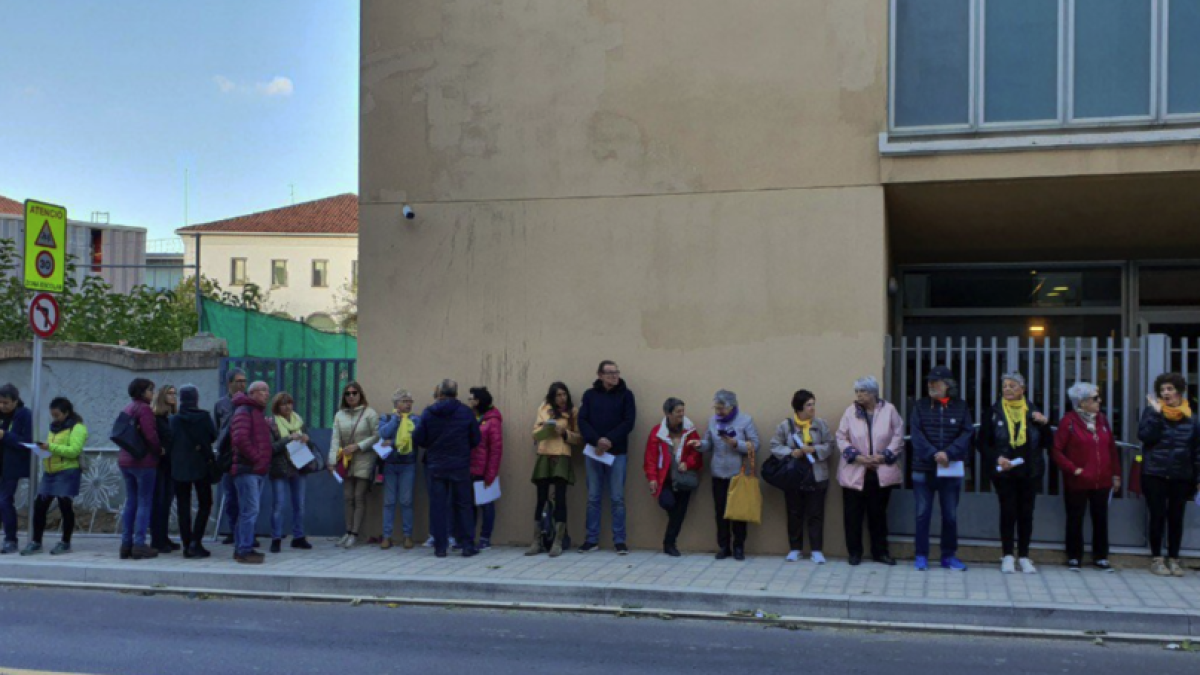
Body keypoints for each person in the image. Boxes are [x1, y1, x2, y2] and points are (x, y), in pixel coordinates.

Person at [979, 373, 1049, 575]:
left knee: (1026, 514)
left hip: (1030, 472)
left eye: (1012, 386)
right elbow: (982, 443)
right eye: (1005, 386)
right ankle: (1008, 555)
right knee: (1008, 512)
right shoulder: (993, 412)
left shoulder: (1033, 412)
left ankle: (1025, 556)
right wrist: (997, 459)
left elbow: (1047, 443)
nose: (1007, 389)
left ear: (1022, 390)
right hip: (1005, 473)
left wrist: (1044, 424)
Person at [908, 365, 974, 572]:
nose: (931, 385)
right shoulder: (919, 406)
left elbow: (967, 433)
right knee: (922, 513)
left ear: (948, 385)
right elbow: (916, 435)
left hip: (950, 469)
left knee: (950, 514)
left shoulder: (961, 407)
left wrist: (949, 453)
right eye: (929, 382)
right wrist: (934, 454)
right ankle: (921, 555)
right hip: (923, 468)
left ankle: (948, 556)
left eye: (936, 382)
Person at [1051, 382, 1120, 572]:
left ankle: (1101, 557)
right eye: (1095, 398)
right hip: (1078, 480)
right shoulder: (1069, 421)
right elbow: (1057, 450)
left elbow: (1111, 449)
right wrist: (1073, 469)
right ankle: (1074, 556)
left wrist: (1116, 475)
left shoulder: (1102, 420)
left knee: (1101, 518)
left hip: (1102, 479)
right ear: (1082, 403)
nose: (1100, 401)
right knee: (1075, 517)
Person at [836, 376, 904, 567]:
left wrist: (883, 456)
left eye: (863, 391)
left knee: (878, 515)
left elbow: (898, 435)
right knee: (852, 516)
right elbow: (841, 437)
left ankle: (880, 552)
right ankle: (855, 553)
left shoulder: (889, 410)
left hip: (880, 471)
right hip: (855, 471)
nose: (859, 395)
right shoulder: (850, 412)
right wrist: (859, 457)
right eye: (857, 391)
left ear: (874, 393)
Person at [1137, 373, 1200, 577]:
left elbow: (1196, 450)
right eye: (1163, 390)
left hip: (1181, 475)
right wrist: (1156, 414)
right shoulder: (1152, 412)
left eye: (1170, 389)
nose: (1166, 393)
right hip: (1155, 473)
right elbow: (1145, 436)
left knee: (1176, 517)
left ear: (1179, 391)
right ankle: (1157, 558)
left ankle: (1174, 558)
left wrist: (1197, 477)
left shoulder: (1192, 417)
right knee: (1157, 516)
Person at [413, 379, 481, 558]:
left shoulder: (429, 412)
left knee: (438, 506)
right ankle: (467, 545)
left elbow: (418, 438)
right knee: (464, 505)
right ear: (456, 393)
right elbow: (476, 439)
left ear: (440, 393)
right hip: (460, 465)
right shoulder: (466, 412)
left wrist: (432, 445)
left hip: (436, 465)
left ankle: (440, 547)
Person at [578, 360, 637, 554]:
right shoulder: (590, 395)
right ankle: (591, 539)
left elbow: (629, 422)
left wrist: (610, 440)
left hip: (617, 453)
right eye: (609, 373)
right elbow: (582, 420)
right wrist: (597, 440)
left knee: (617, 498)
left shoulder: (626, 396)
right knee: (593, 497)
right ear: (600, 375)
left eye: (616, 372)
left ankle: (619, 540)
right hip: (594, 453)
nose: (614, 376)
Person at [768, 390, 834, 564]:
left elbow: (830, 445)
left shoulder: (820, 424)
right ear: (799, 408)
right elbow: (775, 446)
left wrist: (814, 450)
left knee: (816, 514)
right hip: (794, 476)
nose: (813, 408)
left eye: (813, 404)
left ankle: (817, 550)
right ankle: (795, 549)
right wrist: (792, 452)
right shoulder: (785, 426)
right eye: (808, 405)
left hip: (817, 474)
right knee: (794, 512)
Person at [695, 389, 760, 561]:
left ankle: (739, 546)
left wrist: (736, 444)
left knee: (737, 512)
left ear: (731, 407)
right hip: (718, 473)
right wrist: (699, 445)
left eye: (721, 408)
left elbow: (755, 445)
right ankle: (724, 546)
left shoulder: (745, 420)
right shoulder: (712, 421)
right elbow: (708, 443)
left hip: (737, 473)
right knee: (720, 511)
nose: (718, 412)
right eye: (716, 408)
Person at [20, 397, 87, 556]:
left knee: (65, 506)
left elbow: (74, 451)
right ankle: (36, 542)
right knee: (40, 506)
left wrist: (50, 447)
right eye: (52, 415)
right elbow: (55, 448)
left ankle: (65, 542)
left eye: (57, 415)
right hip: (50, 472)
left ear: (67, 412)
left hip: (67, 471)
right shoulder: (55, 428)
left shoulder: (78, 428)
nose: (54, 418)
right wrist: (42, 449)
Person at [527, 382, 581, 557]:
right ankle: (537, 540)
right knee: (541, 498)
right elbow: (534, 433)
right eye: (558, 395)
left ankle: (558, 541)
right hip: (544, 453)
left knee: (560, 499)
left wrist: (564, 433)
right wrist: (544, 429)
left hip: (561, 455)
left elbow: (579, 438)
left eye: (564, 394)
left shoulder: (573, 412)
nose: (561, 398)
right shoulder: (543, 408)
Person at [644, 398, 702, 557]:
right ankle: (670, 542)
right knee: (668, 503)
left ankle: (669, 544)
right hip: (666, 478)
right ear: (668, 413)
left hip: (684, 478)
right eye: (677, 412)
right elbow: (651, 457)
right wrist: (652, 478)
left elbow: (697, 452)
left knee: (680, 512)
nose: (681, 415)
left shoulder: (690, 430)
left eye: (683, 411)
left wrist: (688, 463)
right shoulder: (658, 432)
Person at [329, 381, 380, 549]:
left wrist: (358, 446)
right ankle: (348, 531)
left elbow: (377, 436)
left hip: (364, 458)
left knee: (359, 497)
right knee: (347, 498)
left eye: (354, 393)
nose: (351, 396)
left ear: (360, 395)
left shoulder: (369, 413)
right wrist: (331, 461)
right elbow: (335, 439)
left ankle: (355, 533)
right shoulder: (339, 415)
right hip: (346, 460)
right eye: (348, 393)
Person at [170, 384, 218, 559]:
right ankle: (196, 542)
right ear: (196, 399)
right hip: (201, 466)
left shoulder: (174, 419)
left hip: (179, 467)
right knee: (205, 503)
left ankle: (186, 544)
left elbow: (168, 440)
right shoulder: (204, 417)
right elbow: (213, 436)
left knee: (183, 506)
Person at [230, 381, 273, 564]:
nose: (266, 394)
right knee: (250, 511)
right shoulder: (244, 411)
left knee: (247, 511)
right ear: (252, 393)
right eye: (262, 390)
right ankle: (244, 549)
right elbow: (240, 438)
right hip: (247, 469)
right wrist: (257, 458)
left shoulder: (256, 412)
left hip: (256, 470)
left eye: (267, 391)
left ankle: (242, 547)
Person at [119, 378, 162, 560]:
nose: (153, 394)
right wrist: (159, 449)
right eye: (151, 390)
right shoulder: (144, 409)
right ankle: (139, 544)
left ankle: (125, 544)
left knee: (131, 501)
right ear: (142, 392)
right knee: (144, 502)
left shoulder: (127, 408)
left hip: (125, 460)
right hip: (143, 462)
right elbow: (150, 435)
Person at [266, 392, 313, 553]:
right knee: (279, 504)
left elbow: (310, 445)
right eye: (283, 404)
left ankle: (298, 537)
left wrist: (306, 439)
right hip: (280, 467)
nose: (287, 407)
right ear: (277, 407)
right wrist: (288, 439)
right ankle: (276, 538)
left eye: (289, 403)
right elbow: (271, 449)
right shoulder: (271, 423)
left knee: (299, 504)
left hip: (299, 465)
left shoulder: (298, 421)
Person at [378, 389, 419, 550]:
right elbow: (383, 433)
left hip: (408, 464)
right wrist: (396, 419)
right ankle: (387, 536)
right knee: (389, 502)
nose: (408, 404)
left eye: (410, 401)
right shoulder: (386, 418)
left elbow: (414, 438)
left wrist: (393, 443)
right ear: (396, 404)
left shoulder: (415, 419)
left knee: (406, 501)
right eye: (405, 401)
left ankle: (407, 536)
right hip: (390, 464)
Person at [214, 368, 248, 546]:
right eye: (239, 381)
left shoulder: (249, 403)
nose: (243, 384)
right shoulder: (221, 404)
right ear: (230, 383)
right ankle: (233, 530)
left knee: (247, 497)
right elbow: (217, 427)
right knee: (230, 495)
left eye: (244, 381)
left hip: (245, 455)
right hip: (227, 455)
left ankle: (246, 533)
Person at [468, 386, 503, 550]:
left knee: (487, 504)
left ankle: (485, 537)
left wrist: (491, 474)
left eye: (472, 398)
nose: (469, 401)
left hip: (483, 469)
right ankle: (469, 536)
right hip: (469, 468)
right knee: (469, 505)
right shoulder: (471, 417)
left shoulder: (492, 420)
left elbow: (496, 449)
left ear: (479, 401)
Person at [0, 383, 33, 555]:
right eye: (0, 402)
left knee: (4, 501)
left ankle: (11, 539)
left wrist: (5, 435)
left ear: (15, 401)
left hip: (12, 466)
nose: (2, 406)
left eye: (5, 403)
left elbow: (25, 442)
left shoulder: (24, 415)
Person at [150, 384, 180, 554]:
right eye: (170, 393)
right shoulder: (156, 417)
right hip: (159, 465)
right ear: (162, 396)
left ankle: (163, 537)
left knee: (167, 502)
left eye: (175, 393)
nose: (173, 396)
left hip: (170, 465)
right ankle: (157, 539)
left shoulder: (171, 417)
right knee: (159, 502)